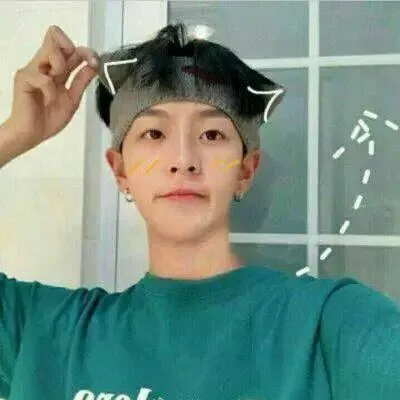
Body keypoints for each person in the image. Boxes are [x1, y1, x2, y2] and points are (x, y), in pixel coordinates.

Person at [0, 23, 399, 400]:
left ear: (246, 171)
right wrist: (14, 133)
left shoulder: (330, 326)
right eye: (154, 133)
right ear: (120, 171)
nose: (183, 160)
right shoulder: (45, 331)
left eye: (211, 134)